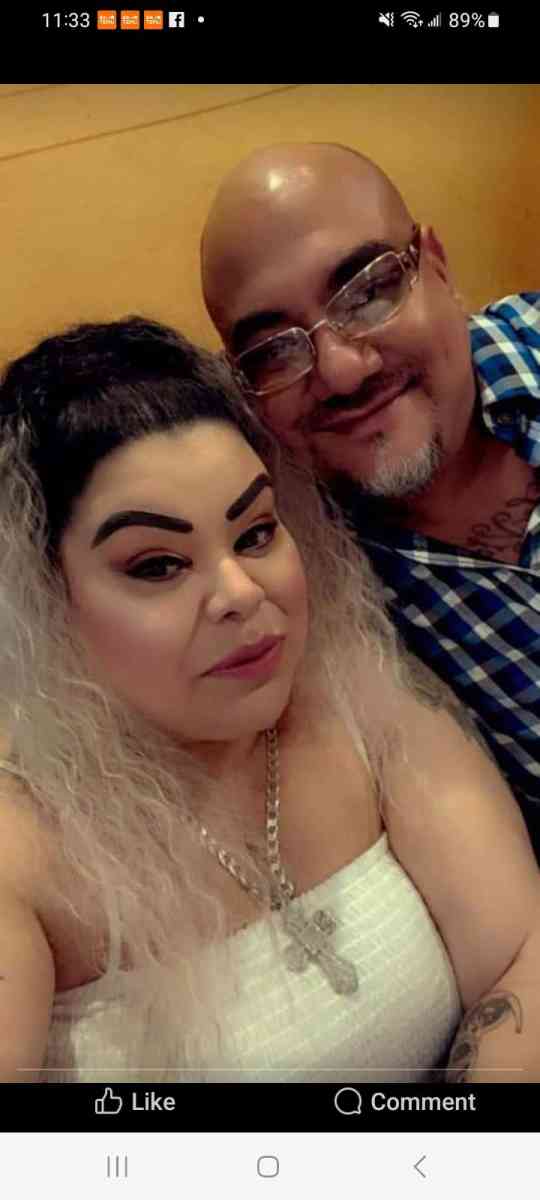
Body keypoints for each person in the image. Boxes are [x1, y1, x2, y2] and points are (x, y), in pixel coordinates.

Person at [1, 316, 540, 1086]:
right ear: (46, 603)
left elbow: (523, 958)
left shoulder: (365, 699)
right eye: (157, 565)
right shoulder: (22, 849)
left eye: (255, 533)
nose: (240, 592)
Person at [201, 141, 540, 855]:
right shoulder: (316, 598)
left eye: (367, 292)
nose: (342, 370)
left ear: (437, 267)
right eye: (275, 351)